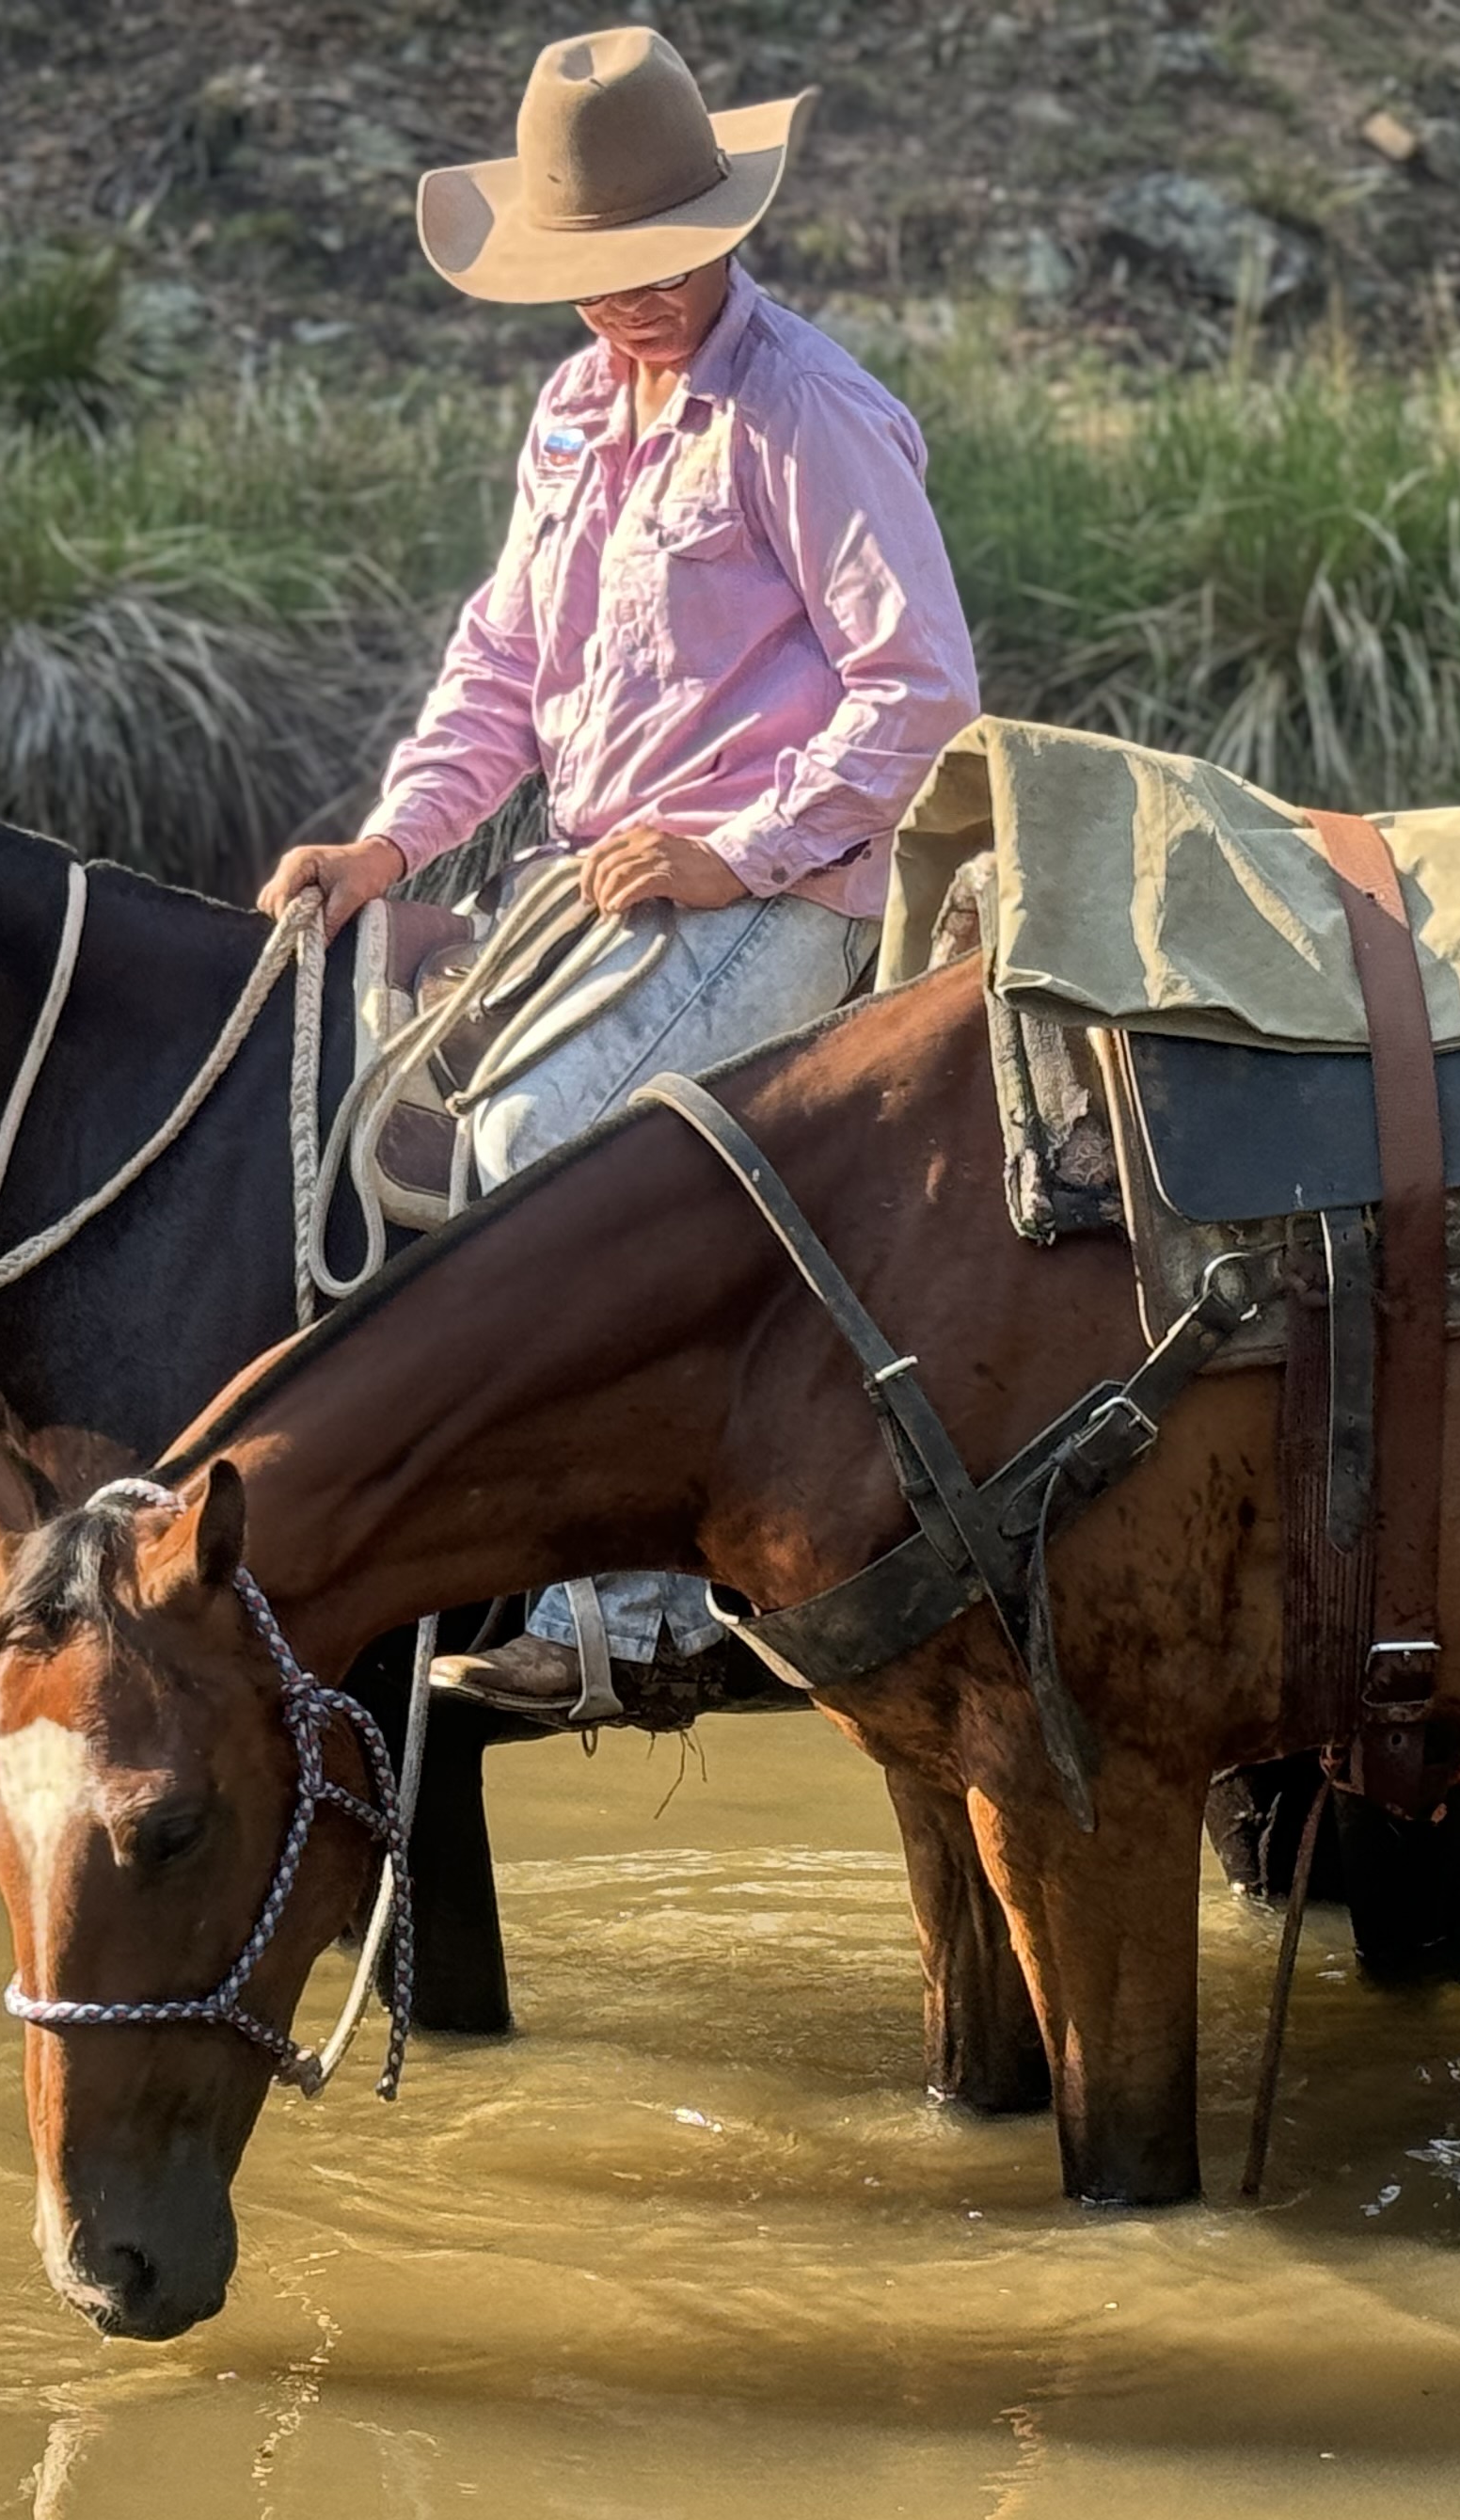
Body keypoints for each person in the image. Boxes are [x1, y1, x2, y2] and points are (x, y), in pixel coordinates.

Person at [260, 26, 981, 1722]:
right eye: (601, 274)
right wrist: (392, 840)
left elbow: (921, 692)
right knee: (368, 1120)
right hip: (596, 877)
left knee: (541, 1142)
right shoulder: (577, 408)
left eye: (665, 264)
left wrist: (741, 851)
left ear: (727, 235)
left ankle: (640, 1616)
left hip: (780, 890)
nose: (636, 302)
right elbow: (501, 665)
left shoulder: (805, 411)